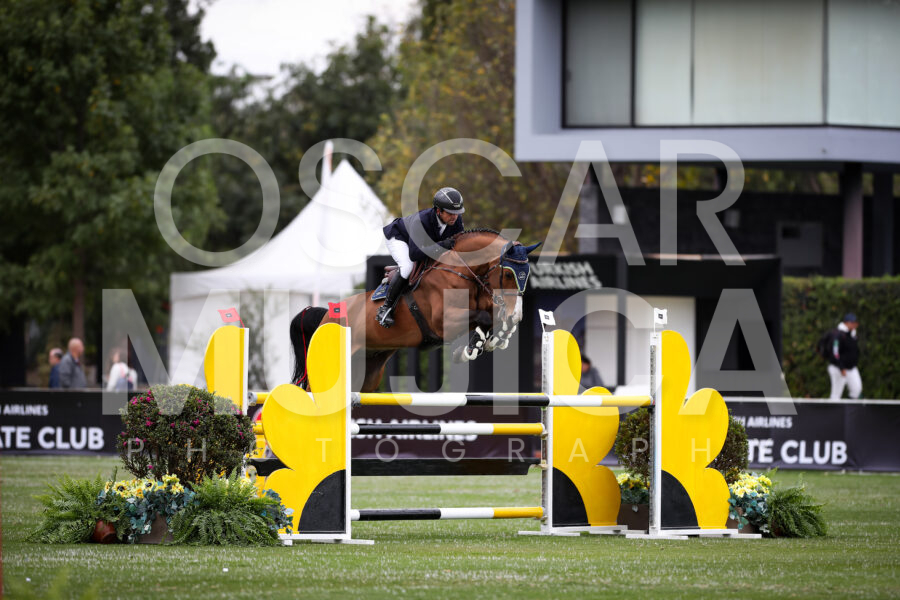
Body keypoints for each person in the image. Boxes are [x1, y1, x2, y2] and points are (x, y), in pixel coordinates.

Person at [376, 187, 466, 328]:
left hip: (422, 243)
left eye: (457, 213)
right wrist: (442, 245)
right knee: (407, 267)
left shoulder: (456, 221)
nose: (454, 217)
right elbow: (415, 254)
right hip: (400, 238)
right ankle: (386, 308)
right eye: (450, 213)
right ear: (438, 211)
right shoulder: (421, 221)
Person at [821, 313, 862, 400]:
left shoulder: (853, 335)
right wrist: (841, 367)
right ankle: (833, 409)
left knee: (856, 390)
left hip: (851, 367)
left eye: (855, 323)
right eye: (852, 322)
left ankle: (850, 408)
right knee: (836, 394)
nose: (855, 325)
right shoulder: (838, 334)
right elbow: (835, 353)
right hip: (838, 368)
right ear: (846, 323)